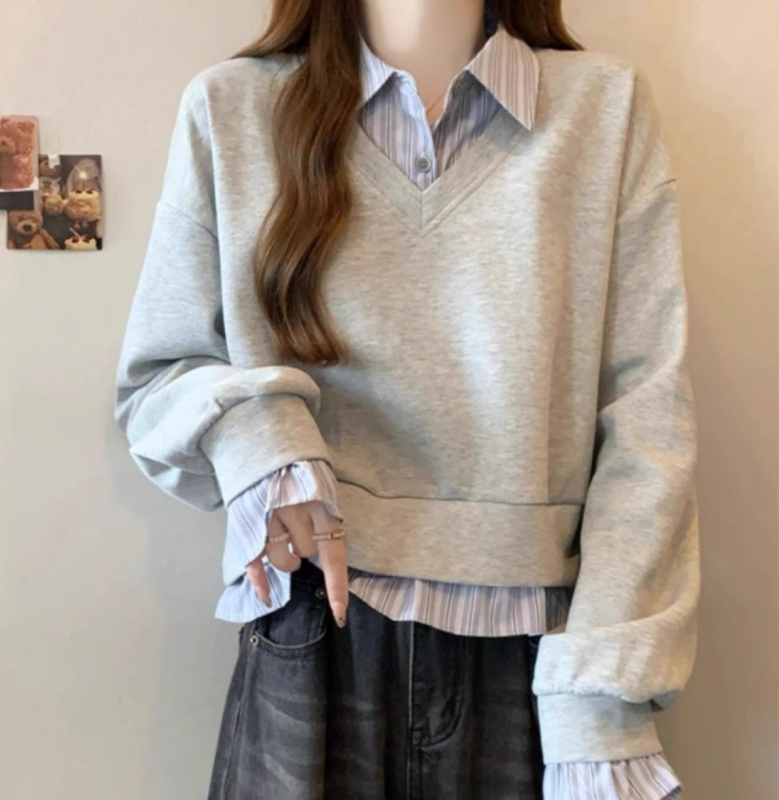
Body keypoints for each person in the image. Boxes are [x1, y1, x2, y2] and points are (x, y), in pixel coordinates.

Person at [113, 0, 700, 797]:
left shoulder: (604, 108)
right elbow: (156, 379)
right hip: (312, 629)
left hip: (537, 656)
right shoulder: (233, 107)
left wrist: (603, 693)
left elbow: (647, 423)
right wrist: (268, 443)